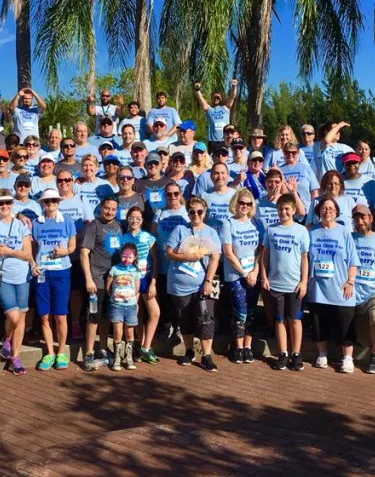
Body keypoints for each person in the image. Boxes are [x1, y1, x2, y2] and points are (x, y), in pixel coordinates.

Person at [166, 196, 221, 371]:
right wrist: (188, 256)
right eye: (192, 212)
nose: (195, 215)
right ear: (188, 213)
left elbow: (215, 258)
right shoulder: (180, 229)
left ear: (205, 213)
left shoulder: (211, 232)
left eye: (199, 211)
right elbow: (169, 253)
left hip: (204, 283)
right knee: (185, 318)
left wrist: (208, 281)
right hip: (179, 283)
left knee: (206, 319)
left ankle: (206, 355)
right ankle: (189, 351)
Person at [308, 196, 360, 373]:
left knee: (345, 324)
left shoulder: (344, 232)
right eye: (324, 208)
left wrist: (350, 281)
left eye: (331, 208)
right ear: (318, 212)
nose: (327, 211)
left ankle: (347, 358)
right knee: (318, 324)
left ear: (336, 212)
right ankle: (322, 355)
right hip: (318, 289)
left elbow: (353, 260)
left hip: (341, 288)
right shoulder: (311, 232)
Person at [261, 193, 310, 371]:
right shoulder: (271, 229)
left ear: (294, 210)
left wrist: (304, 281)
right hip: (275, 283)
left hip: (295, 284)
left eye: (287, 209)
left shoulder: (301, 230)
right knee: (279, 320)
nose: (283, 212)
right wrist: (264, 276)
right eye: (280, 209)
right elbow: (265, 255)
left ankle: (296, 354)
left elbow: (305, 258)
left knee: (295, 319)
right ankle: (283, 353)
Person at [31, 189, 77, 371]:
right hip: (42, 273)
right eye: (47, 201)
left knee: (60, 315)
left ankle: (61, 352)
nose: (51, 204)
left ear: (58, 202)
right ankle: (50, 352)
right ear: (43, 203)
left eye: (54, 201)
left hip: (61, 272)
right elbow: (33, 249)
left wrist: (64, 251)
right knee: (44, 316)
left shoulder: (67, 220)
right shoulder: (36, 223)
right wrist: (32, 264)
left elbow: (73, 246)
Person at [221, 189, 264, 364]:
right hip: (235, 275)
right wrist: (244, 273)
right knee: (240, 311)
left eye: (248, 203)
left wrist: (254, 271)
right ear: (235, 203)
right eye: (241, 203)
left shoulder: (257, 223)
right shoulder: (228, 224)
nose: (244, 206)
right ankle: (238, 347)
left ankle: (248, 346)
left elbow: (261, 250)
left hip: (253, 274)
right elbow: (228, 253)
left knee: (252, 312)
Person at [80, 196, 122, 371]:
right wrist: (88, 278)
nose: (109, 212)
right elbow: (84, 253)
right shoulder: (94, 226)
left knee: (106, 317)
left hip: (113, 281)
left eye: (113, 209)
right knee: (93, 317)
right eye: (107, 208)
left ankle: (103, 349)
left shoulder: (119, 227)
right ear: (101, 208)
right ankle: (89, 353)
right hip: (96, 280)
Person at [57, 169, 94, 338]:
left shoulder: (81, 199)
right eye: (60, 180)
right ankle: (59, 325)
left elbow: (89, 223)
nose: (64, 183)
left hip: (78, 254)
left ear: (72, 181)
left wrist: (77, 237)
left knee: (77, 291)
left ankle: (75, 323)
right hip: (60, 254)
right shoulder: (53, 201)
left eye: (67, 180)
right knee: (61, 291)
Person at [122, 206, 160, 364]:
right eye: (132, 218)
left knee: (155, 312)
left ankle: (145, 347)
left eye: (138, 218)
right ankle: (138, 344)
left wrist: (153, 282)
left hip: (146, 278)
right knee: (135, 313)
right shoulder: (122, 238)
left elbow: (156, 261)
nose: (135, 221)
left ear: (142, 221)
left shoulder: (148, 237)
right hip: (130, 281)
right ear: (127, 219)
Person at [151, 183, 189, 339]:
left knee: (178, 300)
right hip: (162, 262)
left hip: (180, 264)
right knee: (165, 299)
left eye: (175, 193)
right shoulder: (159, 213)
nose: (172, 197)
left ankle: (179, 326)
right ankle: (166, 328)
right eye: (168, 194)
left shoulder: (186, 213)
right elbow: (153, 235)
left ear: (180, 194)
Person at [0, 189, 32, 375]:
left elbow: (27, 254)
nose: (4, 206)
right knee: (13, 317)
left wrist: (8, 252)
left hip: (22, 277)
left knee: (21, 317)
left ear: (12, 205)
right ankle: (7, 337)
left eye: (7, 203)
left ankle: (15, 357)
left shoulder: (21, 225)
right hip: (4, 277)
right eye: (1, 203)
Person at [106, 242, 141, 371]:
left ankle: (129, 356)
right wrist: (114, 298)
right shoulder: (115, 269)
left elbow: (137, 288)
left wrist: (135, 302)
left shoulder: (136, 271)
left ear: (135, 257)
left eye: (130, 257)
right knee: (117, 331)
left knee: (130, 331)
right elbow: (108, 286)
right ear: (120, 255)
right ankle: (117, 358)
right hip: (117, 305)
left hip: (130, 305)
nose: (127, 259)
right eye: (124, 256)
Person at [351, 205, 375, 374]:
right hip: (350, 294)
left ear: (370, 218)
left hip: (372, 293)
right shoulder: (350, 238)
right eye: (356, 218)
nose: (360, 222)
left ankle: (374, 356)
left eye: (363, 218)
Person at [194, 79, 238, 153]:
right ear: (211, 98)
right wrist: (197, 90)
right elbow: (201, 99)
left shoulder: (225, 108)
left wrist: (234, 86)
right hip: (212, 142)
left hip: (225, 141)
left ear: (221, 98)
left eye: (218, 97)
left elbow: (232, 96)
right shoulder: (209, 109)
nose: (216, 99)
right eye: (214, 97)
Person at [279, 142, 319, 218]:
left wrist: (314, 213)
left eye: (293, 152)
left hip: (306, 213)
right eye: (287, 152)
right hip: (286, 214)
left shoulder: (306, 168)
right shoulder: (279, 170)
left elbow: (314, 192)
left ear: (298, 153)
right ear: (283, 153)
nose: (290, 154)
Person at [135, 152, 174, 227]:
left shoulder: (170, 182)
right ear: (145, 165)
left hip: (166, 223)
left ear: (160, 165)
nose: (153, 165)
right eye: (150, 163)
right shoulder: (138, 183)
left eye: (156, 163)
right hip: (145, 225)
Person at [202, 162, 236, 234]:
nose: (220, 176)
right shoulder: (204, 196)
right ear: (211, 176)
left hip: (231, 238)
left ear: (228, 175)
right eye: (216, 173)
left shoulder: (235, 195)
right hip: (211, 239)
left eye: (223, 173)